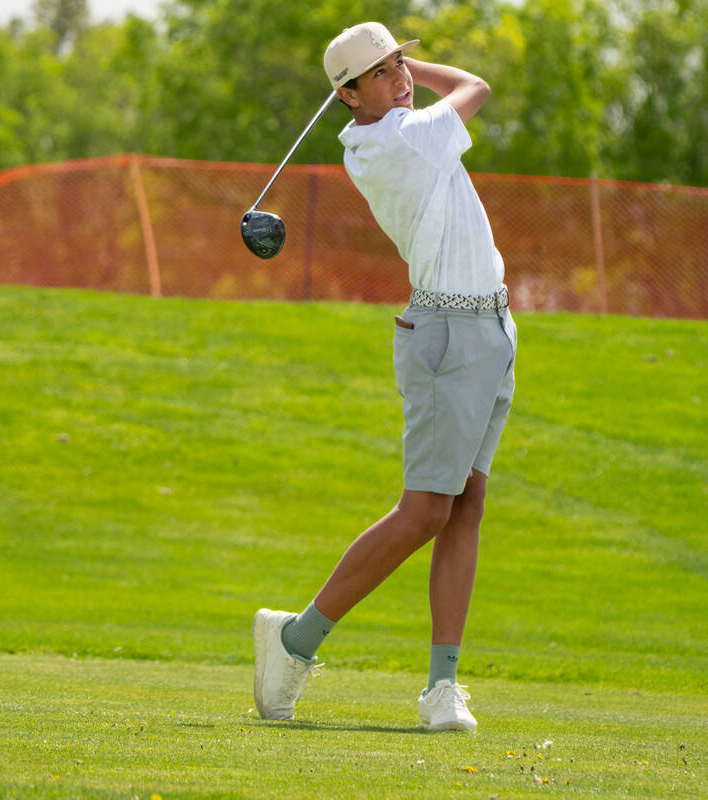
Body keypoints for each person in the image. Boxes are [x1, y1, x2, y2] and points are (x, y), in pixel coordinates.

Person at [253, 21, 516, 732]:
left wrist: (396, 64)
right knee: (427, 510)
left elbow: (450, 96)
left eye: (401, 62)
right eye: (382, 71)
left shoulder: (400, 126)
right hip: (446, 334)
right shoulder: (397, 140)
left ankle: (442, 687)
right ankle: (296, 639)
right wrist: (425, 68)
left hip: (491, 327)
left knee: (466, 506)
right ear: (347, 95)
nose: (400, 76)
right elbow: (477, 87)